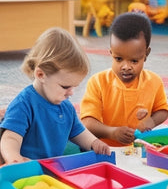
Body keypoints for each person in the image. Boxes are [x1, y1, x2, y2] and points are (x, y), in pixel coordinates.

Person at [0, 28, 111, 165]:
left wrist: (94, 143)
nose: (71, 93)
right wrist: (14, 158)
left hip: (51, 167)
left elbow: (78, 132)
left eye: (74, 87)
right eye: (65, 87)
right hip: (26, 169)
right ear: (41, 75)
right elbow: (10, 138)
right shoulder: (24, 104)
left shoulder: (66, 107)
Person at [80, 12, 168, 147]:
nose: (126, 67)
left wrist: (151, 121)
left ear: (145, 55)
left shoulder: (154, 81)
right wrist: (112, 133)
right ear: (111, 53)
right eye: (118, 59)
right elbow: (87, 122)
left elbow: (162, 111)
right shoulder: (98, 82)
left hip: (139, 148)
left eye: (134, 61)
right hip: (104, 149)